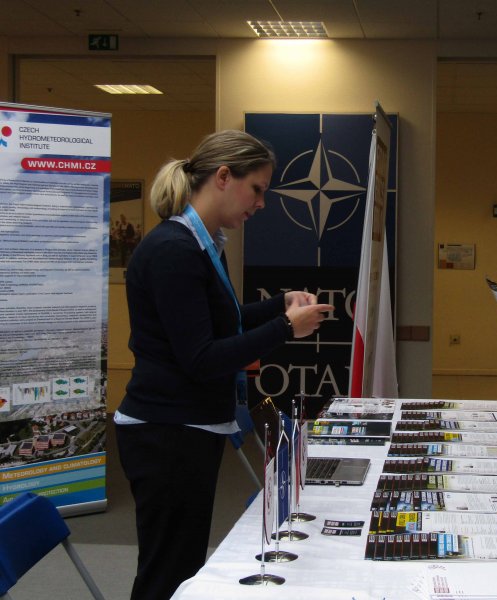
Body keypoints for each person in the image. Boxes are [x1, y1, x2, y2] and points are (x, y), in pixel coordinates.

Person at [114, 129, 333, 600]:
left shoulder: (202, 243)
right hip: (167, 432)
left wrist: (277, 305)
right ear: (223, 176)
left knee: (182, 565)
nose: (261, 204)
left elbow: (220, 321)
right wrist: (284, 328)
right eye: (257, 189)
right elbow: (202, 358)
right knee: (167, 573)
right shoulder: (174, 249)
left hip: (188, 428)